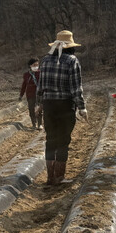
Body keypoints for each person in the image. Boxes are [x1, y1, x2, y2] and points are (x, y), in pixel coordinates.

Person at [37, 30, 87, 186]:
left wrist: (39, 103)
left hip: (49, 105)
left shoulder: (45, 60)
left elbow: (40, 85)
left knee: (50, 140)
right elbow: (75, 87)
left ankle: (50, 177)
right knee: (63, 141)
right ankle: (59, 177)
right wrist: (82, 107)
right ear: (71, 46)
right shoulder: (72, 61)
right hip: (65, 105)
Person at [19, 57, 42, 129]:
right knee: (31, 109)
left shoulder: (40, 73)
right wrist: (21, 95)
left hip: (39, 94)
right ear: (30, 65)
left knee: (39, 109)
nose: (36, 66)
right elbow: (24, 85)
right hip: (30, 94)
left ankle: (40, 124)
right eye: (34, 65)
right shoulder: (26, 75)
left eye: (37, 65)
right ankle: (34, 124)